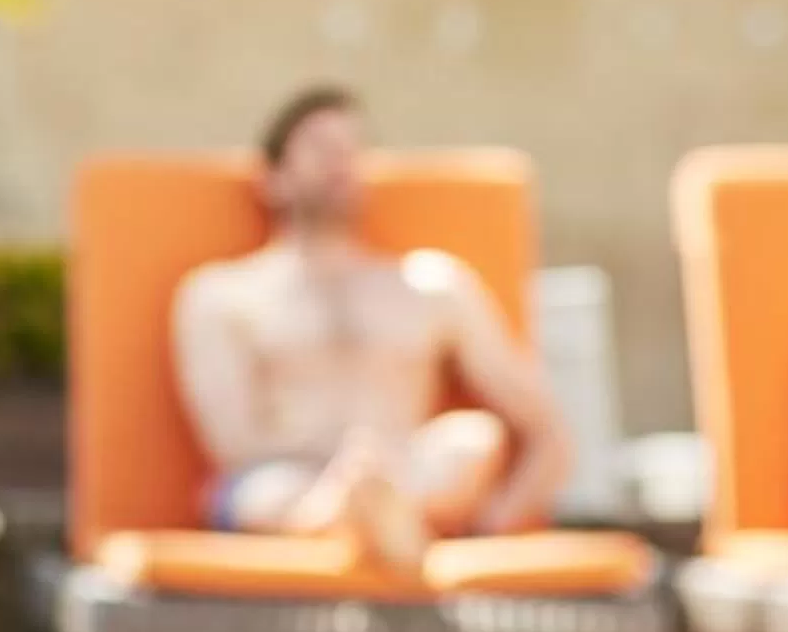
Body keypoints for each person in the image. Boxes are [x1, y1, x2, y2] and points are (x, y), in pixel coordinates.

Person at [170, 84, 573, 569]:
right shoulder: (222, 293)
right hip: (289, 485)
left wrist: (491, 528)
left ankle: (370, 519)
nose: (340, 161)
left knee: (471, 439)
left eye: (352, 148)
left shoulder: (433, 284)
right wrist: (348, 471)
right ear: (273, 178)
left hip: (407, 477)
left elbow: (547, 432)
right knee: (263, 491)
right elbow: (234, 445)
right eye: (320, 147)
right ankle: (361, 522)